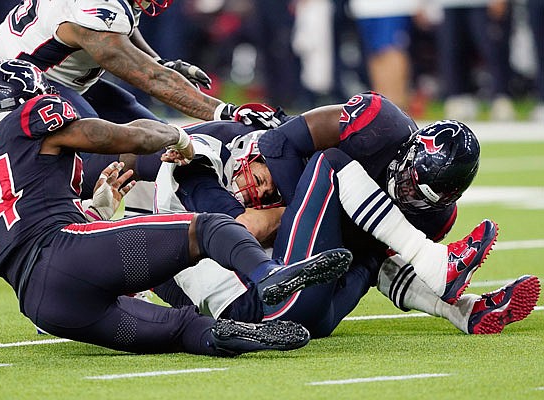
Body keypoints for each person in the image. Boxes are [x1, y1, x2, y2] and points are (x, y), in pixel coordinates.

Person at [0, 59, 356, 356]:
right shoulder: (29, 118)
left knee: (181, 330)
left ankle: (238, 337)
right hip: (68, 253)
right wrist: (166, 136)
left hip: (44, 306)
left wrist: (95, 212)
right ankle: (269, 275)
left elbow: (18, 235)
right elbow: (101, 134)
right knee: (207, 229)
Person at [142, 92, 540, 337]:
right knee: (334, 173)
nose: (257, 188)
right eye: (255, 176)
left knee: (368, 249)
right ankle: (446, 283)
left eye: (260, 178)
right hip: (278, 305)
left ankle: (453, 293)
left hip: (298, 307)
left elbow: (366, 265)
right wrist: (289, 209)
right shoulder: (199, 173)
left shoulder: (434, 214)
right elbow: (274, 160)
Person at [0, 0, 281, 200]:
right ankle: (86, 243)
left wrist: (160, 60)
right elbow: (150, 78)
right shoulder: (91, 8)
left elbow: (124, 26)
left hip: (63, 80)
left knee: (166, 142)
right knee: (106, 162)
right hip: (17, 88)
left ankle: (159, 224)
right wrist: (223, 111)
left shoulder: (107, 8)